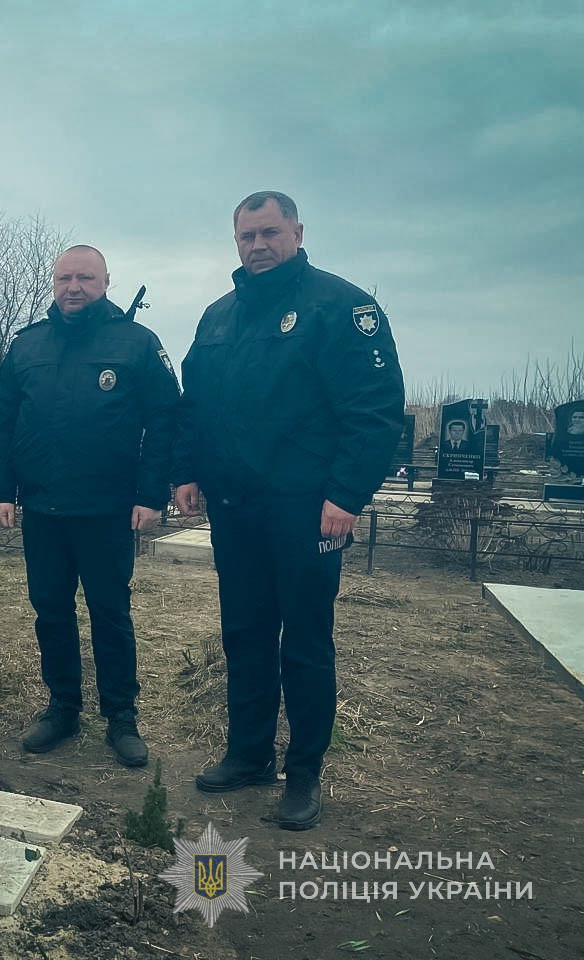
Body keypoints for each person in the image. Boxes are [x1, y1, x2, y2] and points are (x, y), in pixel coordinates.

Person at [172, 191, 405, 830]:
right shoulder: (218, 318)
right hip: (236, 508)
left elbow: (375, 409)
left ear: (298, 233)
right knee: (245, 634)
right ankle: (249, 754)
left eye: (270, 233)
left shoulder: (341, 307)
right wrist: (185, 471)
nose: (258, 245)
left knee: (304, 641)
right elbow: (194, 405)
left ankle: (304, 771)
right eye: (247, 236)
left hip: (308, 509)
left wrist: (347, 493)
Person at [0, 244, 181, 768]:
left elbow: (165, 419)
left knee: (110, 613)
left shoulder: (137, 342)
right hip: (43, 508)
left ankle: (121, 717)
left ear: (106, 281)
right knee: (51, 611)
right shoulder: (27, 345)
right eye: (65, 278)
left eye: (86, 278)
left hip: (107, 508)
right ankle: (63, 708)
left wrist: (151, 494)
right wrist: (2, 489)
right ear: (54, 282)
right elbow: (2, 421)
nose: (74, 287)